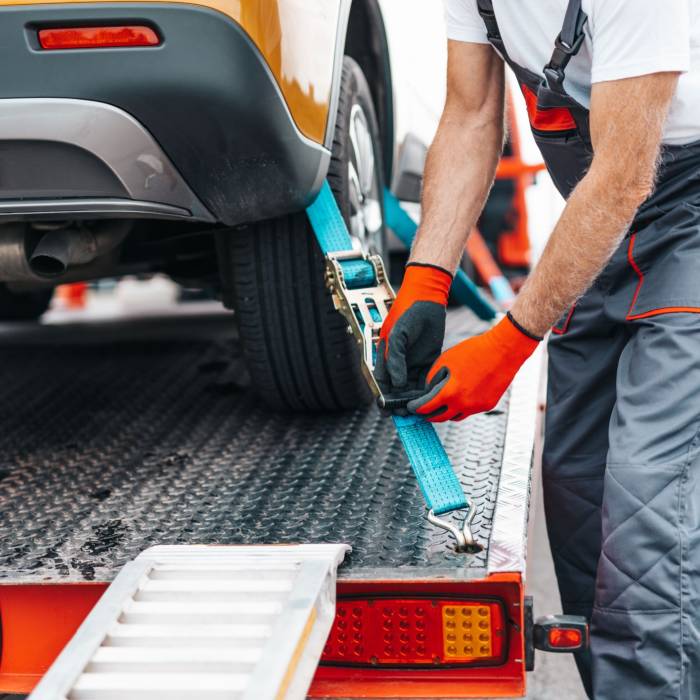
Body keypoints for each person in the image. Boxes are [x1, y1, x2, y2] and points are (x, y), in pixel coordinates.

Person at [374, 1, 700, 698]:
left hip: (680, 212)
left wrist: (509, 343)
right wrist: (425, 280)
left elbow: (622, 176)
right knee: (578, 490)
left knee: (647, 512)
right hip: (605, 228)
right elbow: (469, 114)